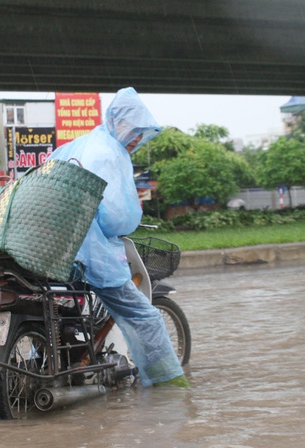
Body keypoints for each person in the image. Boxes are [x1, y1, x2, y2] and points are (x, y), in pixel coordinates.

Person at [49, 87, 188, 387]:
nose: (137, 138)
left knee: (56, 313)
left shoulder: (80, 144)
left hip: (53, 247)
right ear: (116, 121)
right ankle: (170, 388)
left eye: (142, 132)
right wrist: (129, 217)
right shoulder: (110, 153)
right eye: (133, 129)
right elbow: (116, 219)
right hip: (90, 252)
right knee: (146, 318)